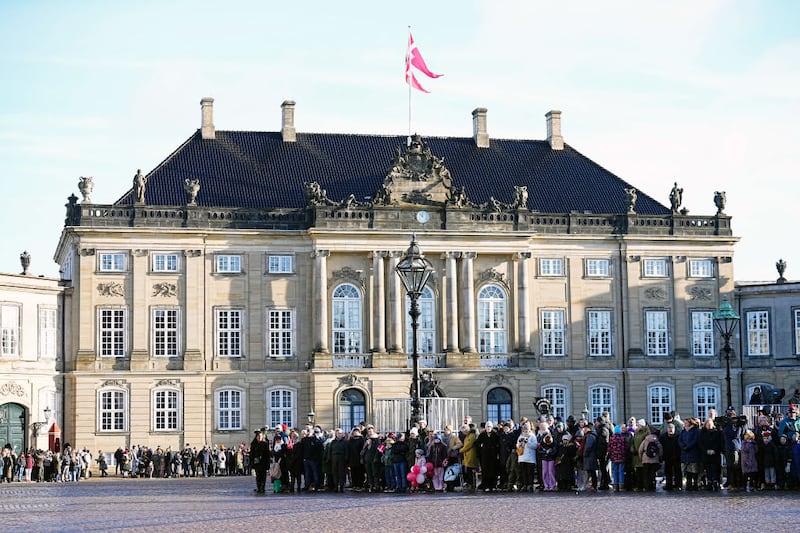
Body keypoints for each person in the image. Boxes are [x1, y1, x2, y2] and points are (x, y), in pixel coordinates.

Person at [638, 427, 663, 491]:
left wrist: (641, 458)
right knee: (653, 473)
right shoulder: (656, 440)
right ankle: (653, 485)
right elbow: (660, 448)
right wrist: (660, 457)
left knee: (646, 474)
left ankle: (647, 486)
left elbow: (640, 450)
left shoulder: (646, 439)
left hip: (645, 459)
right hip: (655, 459)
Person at [250, 430, 270, 494]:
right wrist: (253, 461)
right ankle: (259, 488)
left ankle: (262, 488)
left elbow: (267, 454)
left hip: (263, 462)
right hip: (257, 463)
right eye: (258, 436)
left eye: (260, 436)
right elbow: (251, 454)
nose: (259, 437)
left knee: (263, 476)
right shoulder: (253, 444)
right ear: (256, 437)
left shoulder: (265, 443)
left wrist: (267, 464)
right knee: (258, 476)